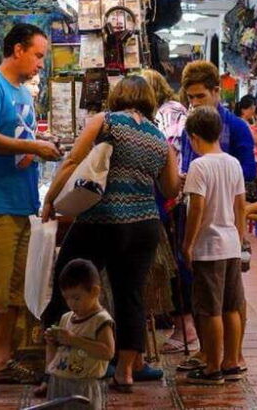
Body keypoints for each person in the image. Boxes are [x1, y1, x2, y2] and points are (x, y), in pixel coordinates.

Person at [41, 76, 181, 392]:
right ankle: (125, 373)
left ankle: (54, 369)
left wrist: (51, 199)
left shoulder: (104, 121)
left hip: (101, 219)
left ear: (118, 96)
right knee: (131, 295)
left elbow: (72, 161)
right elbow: (170, 188)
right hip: (145, 225)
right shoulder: (159, 138)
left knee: (68, 283)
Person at [0, 23, 61, 395]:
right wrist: (36, 149)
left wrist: (36, 145)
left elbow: (19, 138)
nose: (40, 63)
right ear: (18, 49)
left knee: (14, 292)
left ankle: (2, 360)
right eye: (38, 55)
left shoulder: (23, 92)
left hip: (22, 203)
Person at [176, 61, 255, 372]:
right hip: (221, 227)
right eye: (190, 98)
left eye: (199, 96)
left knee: (224, 301)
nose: (194, 103)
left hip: (215, 227)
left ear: (215, 92)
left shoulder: (235, 127)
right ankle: (212, 352)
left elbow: (249, 171)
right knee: (208, 297)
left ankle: (225, 357)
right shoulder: (190, 126)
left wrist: (211, 174)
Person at [181, 106, 247, 385]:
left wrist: (188, 244)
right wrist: (240, 239)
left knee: (210, 310)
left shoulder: (199, 165)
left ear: (194, 137)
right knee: (232, 306)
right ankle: (231, 360)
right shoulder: (233, 163)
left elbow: (197, 207)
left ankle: (212, 365)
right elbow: (240, 205)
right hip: (231, 244)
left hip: (208, 247)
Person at [141, 69, 199, 356]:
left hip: (171, 197)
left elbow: (168, 150)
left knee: (176, 262)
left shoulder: (169, 112)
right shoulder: (168, 112)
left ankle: (185, 326)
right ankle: (182, 324)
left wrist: (170, 188)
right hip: (169, 193)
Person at [45, 259, 115, 410]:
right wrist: (52, 342)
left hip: (83, 384)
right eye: (67, 298)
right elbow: (58, 353)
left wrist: (75, 340)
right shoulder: (66, 318)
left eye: (76, 298)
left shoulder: (100, 320)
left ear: (95, 291)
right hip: (59, 381)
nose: (71, 304)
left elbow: (108, 352)